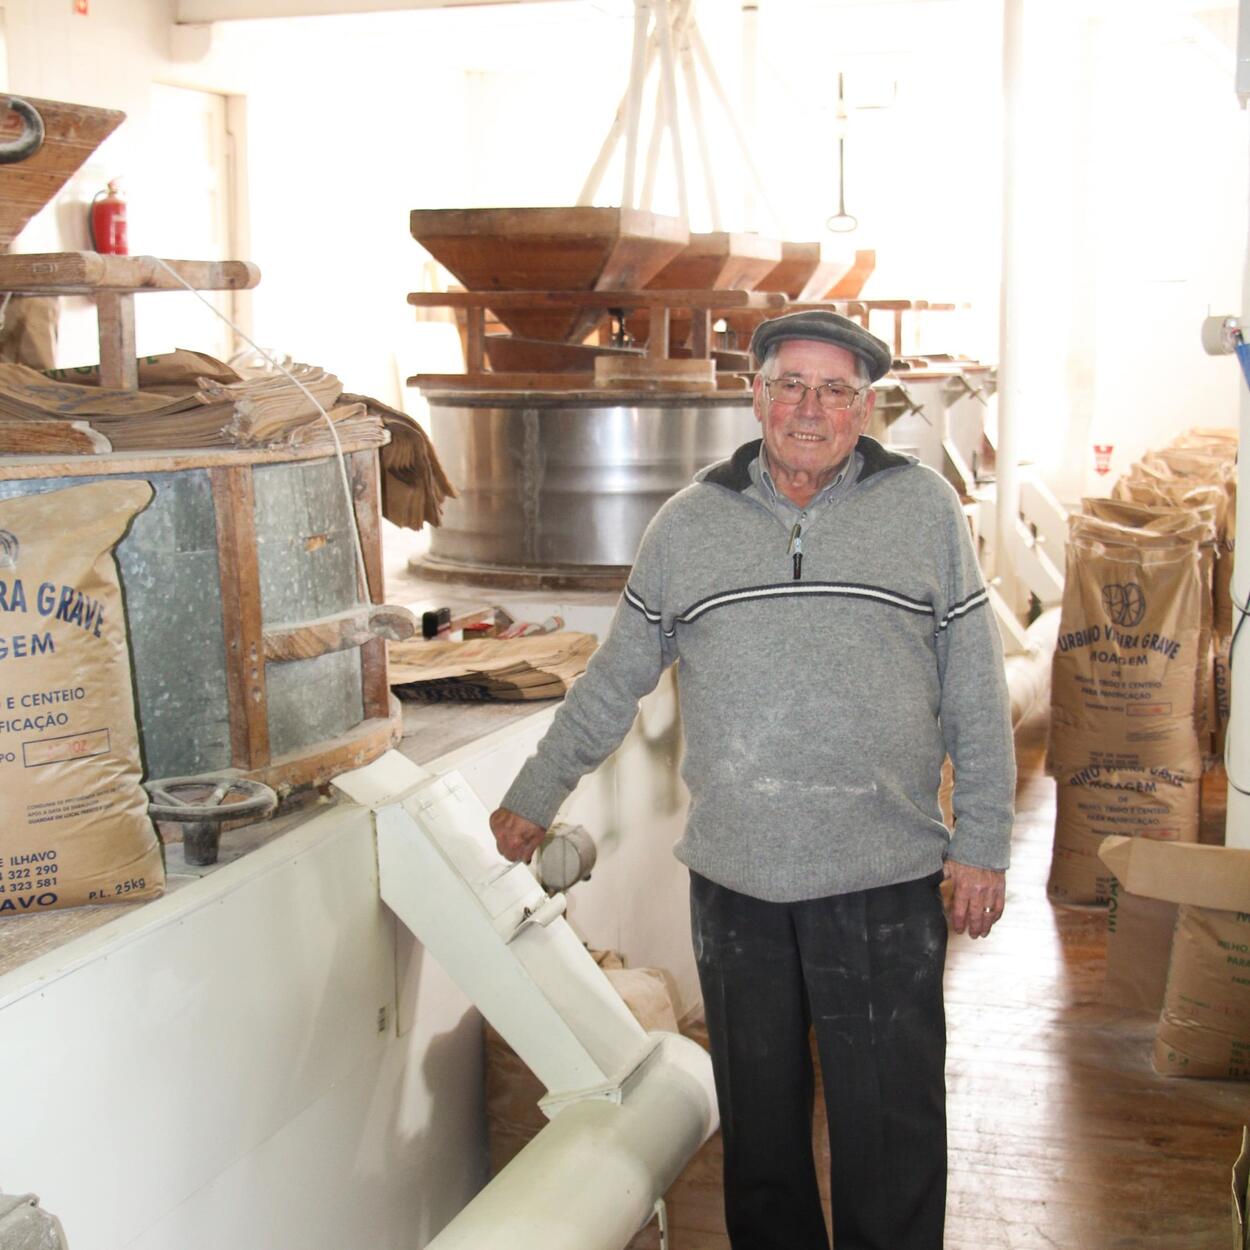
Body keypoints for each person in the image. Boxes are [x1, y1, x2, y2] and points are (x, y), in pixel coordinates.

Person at [489, 309, 1015, 1250]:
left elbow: (976, 688)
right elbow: (614, 678)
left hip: (884, 875)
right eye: (790, 385)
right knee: (761, 1142)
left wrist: (982, 842)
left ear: (864, 408)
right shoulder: (688, 526)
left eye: (834, 390)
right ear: (756, 395)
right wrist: (536, 793)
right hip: (738, 884)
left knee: (891, 1136)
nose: (810, 408)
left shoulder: (924, 511)